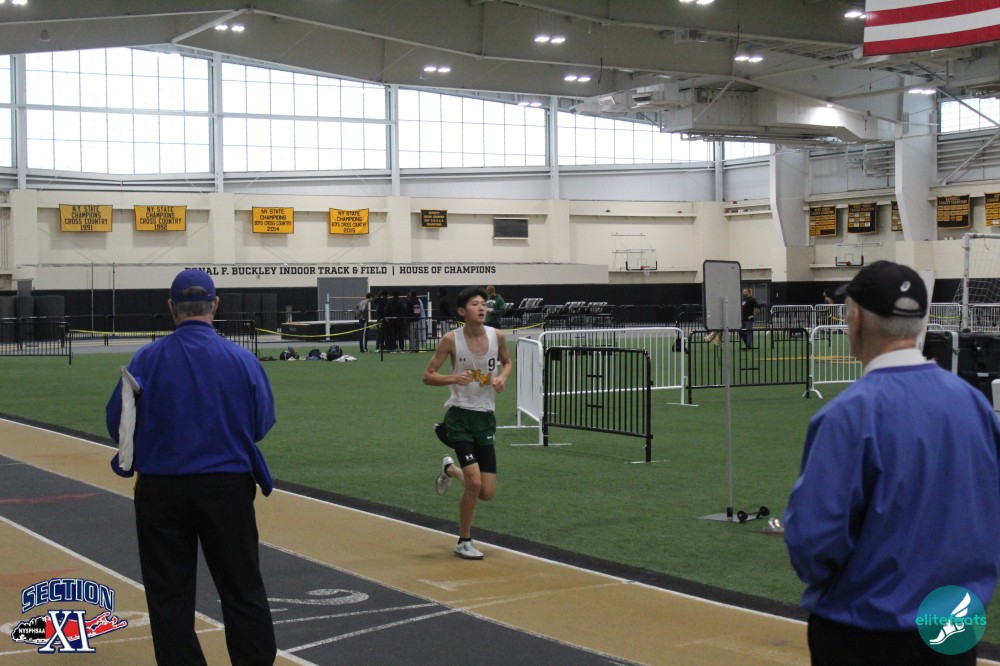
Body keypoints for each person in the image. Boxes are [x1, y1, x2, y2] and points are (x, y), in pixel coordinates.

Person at [783, 261, 1000, 666]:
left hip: (866, 628)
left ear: (856, 320)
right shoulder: (974, 404)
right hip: (953, 626)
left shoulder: (849, 414)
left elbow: (814, 540)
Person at [105, 269, 277, 665]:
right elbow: (261, 422)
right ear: (215, 305)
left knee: (169, 595)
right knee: (242, 589)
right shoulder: (241, 359)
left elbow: (119, 424)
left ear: (171, 307)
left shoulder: (146, 359)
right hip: (227, 487)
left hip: (161, 490)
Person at [423, 286, 512, 560]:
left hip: (485, 418)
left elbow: (507, 363)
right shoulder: (451, 340)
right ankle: (464, 541)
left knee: (486, 492)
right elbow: (428, 375)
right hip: (460, 416)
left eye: (483, 303)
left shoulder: (497, 336)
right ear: (462, 311)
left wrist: (502, 378)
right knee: (473, 483)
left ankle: (450, 469)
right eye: (475, 304)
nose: (482, 307)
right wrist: (453, 378)